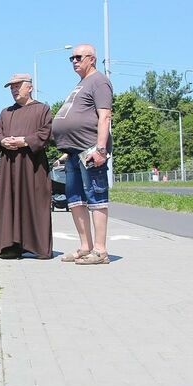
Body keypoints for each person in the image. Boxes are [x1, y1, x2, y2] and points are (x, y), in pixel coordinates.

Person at [51, 43, 113, 265]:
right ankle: (85, 246)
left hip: (90, 150)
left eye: (78, 57)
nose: (74, 61)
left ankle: (100, 250)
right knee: (75, 200)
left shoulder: (100, 81)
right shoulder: (81, 84)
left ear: (92, 59)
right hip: (73, 152)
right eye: (72, 59)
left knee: (96, 197)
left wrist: (101, 149)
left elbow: (104, 116)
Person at [0, 73, 54, 260]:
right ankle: (9, 246)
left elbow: (46, 133)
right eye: (12, 87)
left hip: (32, 166)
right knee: (7, 204)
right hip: (9, 167)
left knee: (34, 202)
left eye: (18, 86)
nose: (14, 90)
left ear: (30, 87)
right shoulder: (6, 112)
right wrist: (3, 141)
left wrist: (25, 141)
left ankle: (38, 247)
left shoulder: (42, 109)